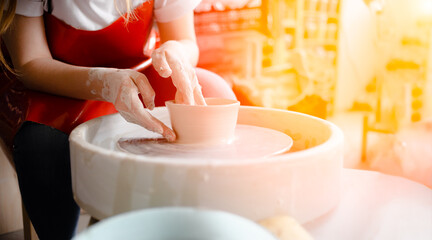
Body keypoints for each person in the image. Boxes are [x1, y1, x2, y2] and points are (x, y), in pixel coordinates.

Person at [0, 0, 236, 239]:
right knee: (41, 142)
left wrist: (176, 50)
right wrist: (103, 83)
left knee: (214, 93)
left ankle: (178, 213)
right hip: (57, 83)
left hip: (138, 71)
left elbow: (186, 41)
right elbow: (31, 63)